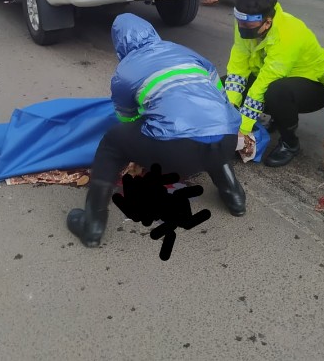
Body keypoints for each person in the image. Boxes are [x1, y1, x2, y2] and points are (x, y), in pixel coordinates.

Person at [67, 14, 246, 248]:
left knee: (113, 140)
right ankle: (235, 198)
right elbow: (219, 98)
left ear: (119, 43)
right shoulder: (186, 52)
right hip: (227, 141)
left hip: (177, 154)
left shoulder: (126, 70)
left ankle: (92, 225)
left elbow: (127, 118)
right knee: (210, 126)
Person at [224, 0, 324, 168]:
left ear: (268, 22)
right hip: (274, 79)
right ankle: (275, 118)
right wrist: (229, 115)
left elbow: (265, 82)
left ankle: (290, 143)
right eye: (239, 22)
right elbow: (238, 68)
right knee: (224, 82)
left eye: (247, 26)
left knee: (276, 92)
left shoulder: (289, 33)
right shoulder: (245, 24)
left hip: (312, 87)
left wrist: (243, 128)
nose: (241, 29)